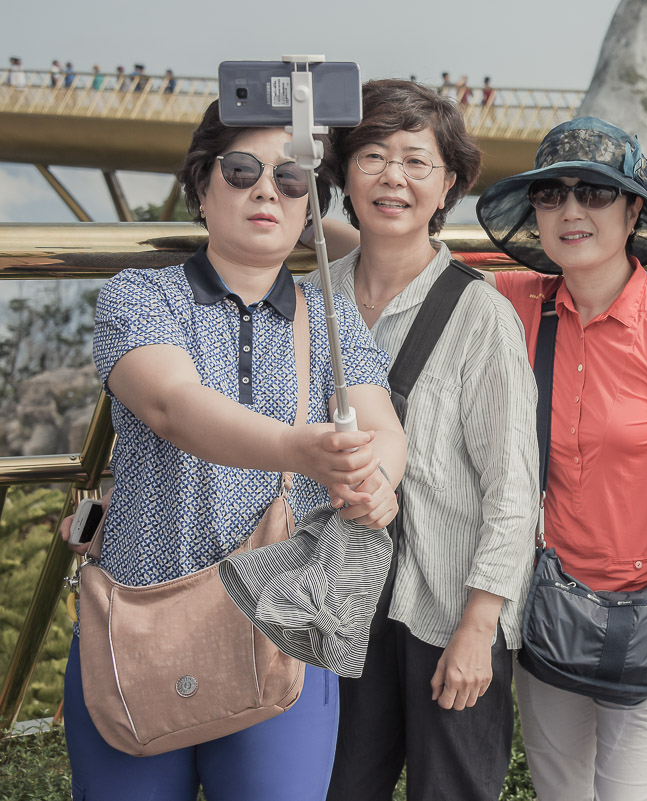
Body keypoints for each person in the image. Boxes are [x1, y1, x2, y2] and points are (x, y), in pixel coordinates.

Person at [59, 99, 406, 801]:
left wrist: (375, 480)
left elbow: (382, 428)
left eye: (292, 178)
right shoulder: (140, 295)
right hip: (140, 618)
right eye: (242, 169)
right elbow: (171, 405)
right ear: (201, 184)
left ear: (311, 206)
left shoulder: (331, 316)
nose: (266, 191)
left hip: (284, 630)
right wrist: (297, 448)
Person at [475, 116, 647, 801]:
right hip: (549, 602)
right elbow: (410, 271)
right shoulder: (511, 303)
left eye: (593, 193)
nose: (570, 211)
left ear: (633, 210)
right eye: (551, 194)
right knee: (560, 792)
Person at [317, 79, 538, 801]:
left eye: (417, 162)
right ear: (344, 174)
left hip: (446, 608)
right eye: (373, 156)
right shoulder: (314, 302)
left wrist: (480, 623)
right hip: (338, 603)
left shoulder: (481, 313)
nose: (394, 178)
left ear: (448, 186)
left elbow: (513, 486)